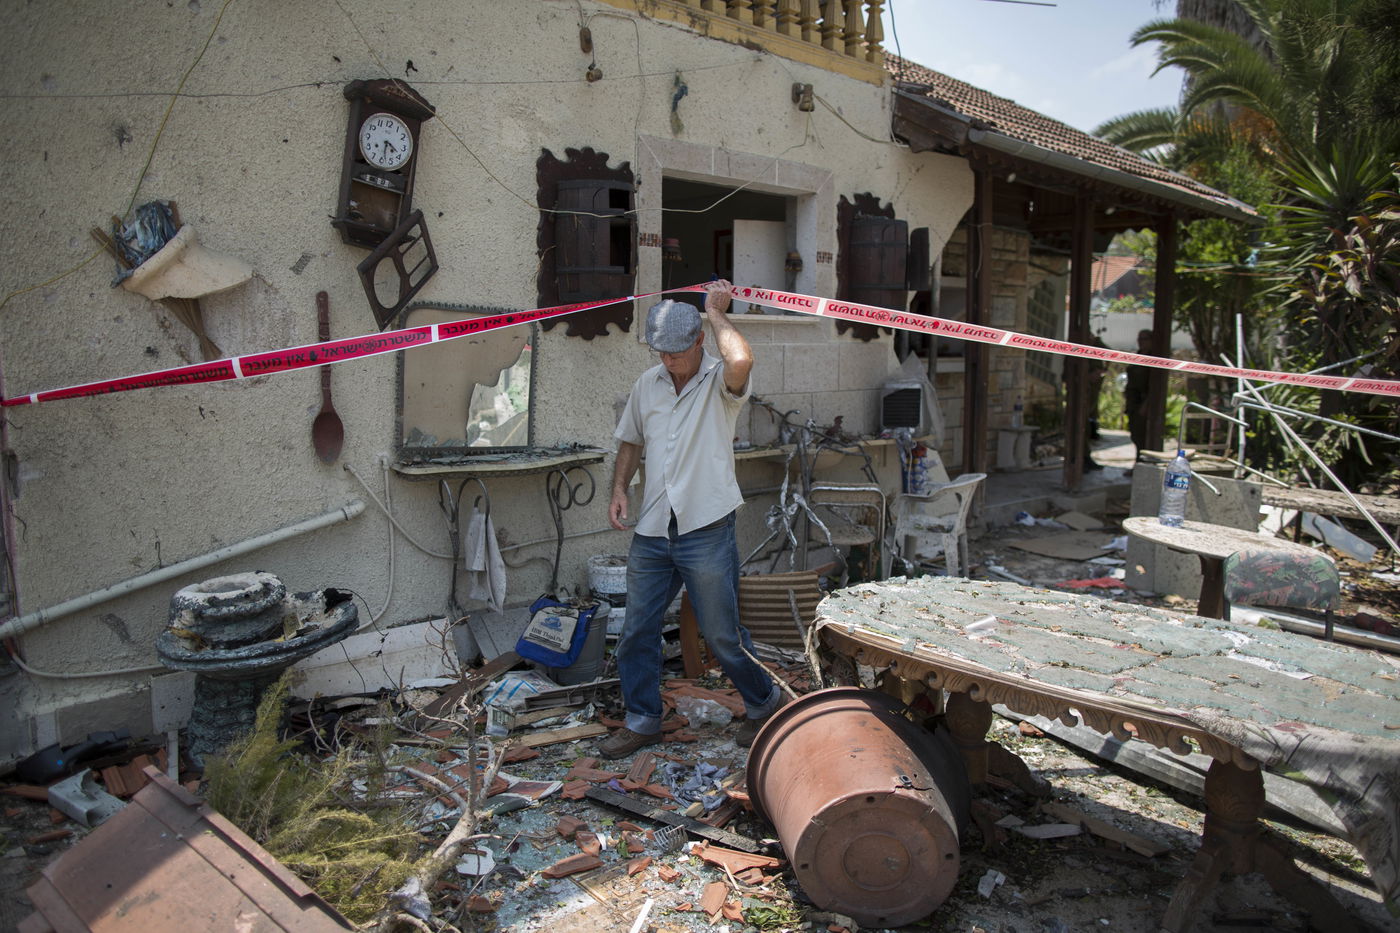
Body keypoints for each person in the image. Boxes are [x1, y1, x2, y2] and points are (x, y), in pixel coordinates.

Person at [599, 281, 783, 759]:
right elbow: (631, 441)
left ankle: (765, 703)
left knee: (722, 635)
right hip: (654, 530)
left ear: (699, 340)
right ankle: (642, 721)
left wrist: (717, 313)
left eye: (676, 352)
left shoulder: (721, 383)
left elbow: (742, 360)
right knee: (636, 631)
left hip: (706, 528)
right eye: (660, 352)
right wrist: (620, 489)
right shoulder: (648, 384)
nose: (667, 361)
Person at [1124, 328, 1154, 457]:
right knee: (1135, 434)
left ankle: (1142, 463)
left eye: (1144, 339)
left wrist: (1146, 404)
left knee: (1143, 436)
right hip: (1132, 402)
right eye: (1139, 339)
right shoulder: (1138, 356)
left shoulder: (1153, 360)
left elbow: (1153, 385)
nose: (1141, 342)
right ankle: (1138, 462)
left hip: (1143, 402)